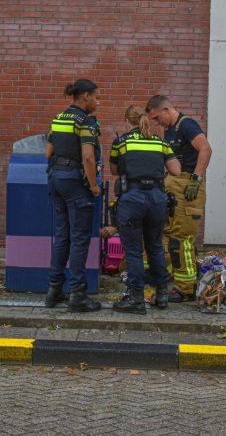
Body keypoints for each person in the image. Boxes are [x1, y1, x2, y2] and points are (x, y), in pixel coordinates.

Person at [108, 105, 180, 313]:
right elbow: (176, 170)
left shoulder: (121, 142)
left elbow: (114, 170)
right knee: (155, 247)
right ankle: (162, 295)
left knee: (133, 252)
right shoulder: (161, 142)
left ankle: (136, 299)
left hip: (132, 199)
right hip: (157, 200)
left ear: (127, 121)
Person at [145, 95, 212, 302]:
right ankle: (170, 277)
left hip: (187, 188)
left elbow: (206, 149)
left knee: (181, 240)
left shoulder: (186, 125)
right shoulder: (169, 130)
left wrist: (196, 178)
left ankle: (186, 289)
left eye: (157, 118)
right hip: (173, 185)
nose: (157, 123)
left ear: (166, 109)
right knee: (167, 234)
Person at [44, 79, 102, 312]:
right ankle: (77, 295)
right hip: (75, 183)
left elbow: (48, 152)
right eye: (96, 97)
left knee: (62, 235)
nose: (98, 102)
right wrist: (93, 186)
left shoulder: (58, 118)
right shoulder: (85, 121)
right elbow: (88, 157)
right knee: (79, 237)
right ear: (85, 96)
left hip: (55, 179)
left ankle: (54, 290)